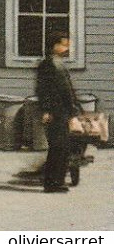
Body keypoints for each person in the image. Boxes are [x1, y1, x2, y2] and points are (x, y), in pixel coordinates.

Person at [36, 33, 79, 192]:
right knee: (58, 147)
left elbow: (67, 90)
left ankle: (55, 181)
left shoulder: (56, 63)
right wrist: (46, 110)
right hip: (56, 112)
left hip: (60, 111)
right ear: (55, 46)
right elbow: (44, 91)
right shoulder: (50, 65)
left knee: (61, 147)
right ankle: (52, 183)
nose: (67, 48)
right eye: (64, 45)